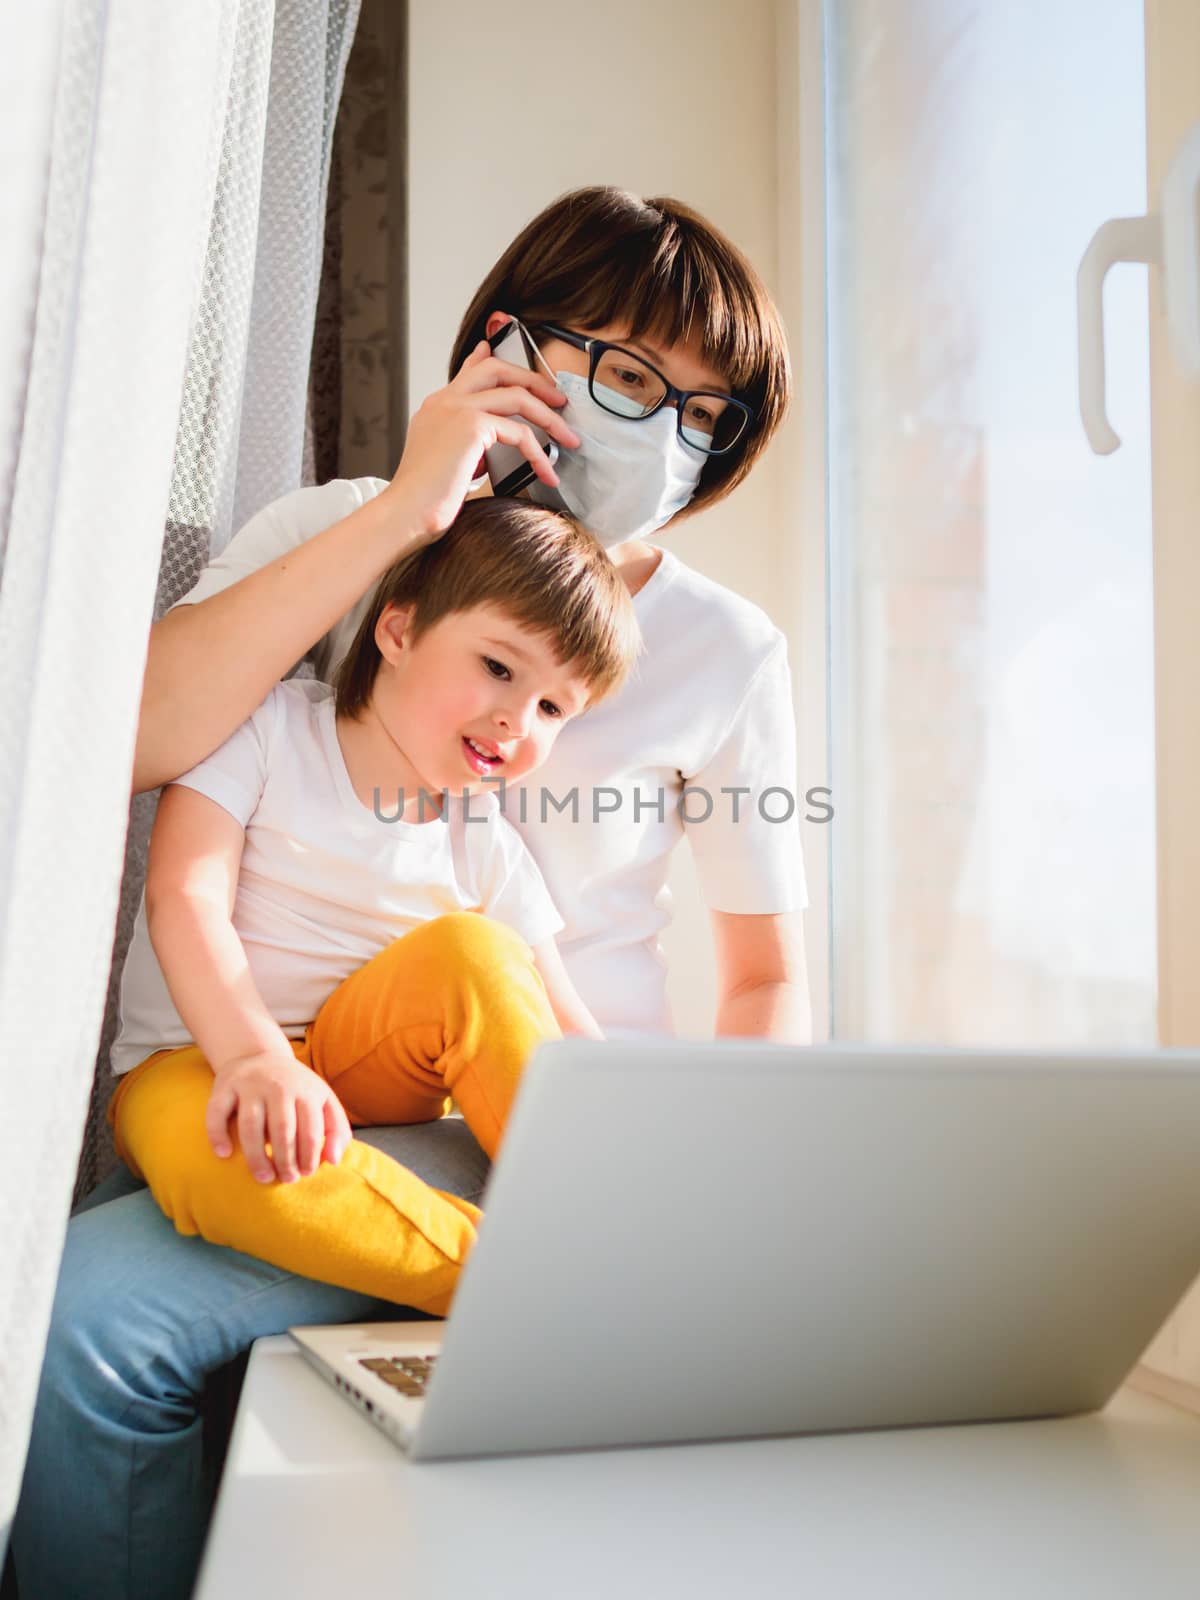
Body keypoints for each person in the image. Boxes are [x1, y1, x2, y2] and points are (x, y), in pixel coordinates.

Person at [12, 186, 812, 1600]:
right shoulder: (349, 535)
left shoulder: (728, 653)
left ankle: (619, 1272)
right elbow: (120, 750)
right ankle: (592, 1294)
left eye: (708, 414)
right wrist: (406, 508)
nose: (668, 431)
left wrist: (713, 1189)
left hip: (544, 1123)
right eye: (633, 377)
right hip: (302, 1073)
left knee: (481, 990)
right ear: (514, 344)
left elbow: (761, 981)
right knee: (82, 1330)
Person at [107, 496, 638, 1311]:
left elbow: (560, 1023)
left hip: (370, 1067)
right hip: (198, 1059)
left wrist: (650, 1136)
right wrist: (255, 1059)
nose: (515, 719)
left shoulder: (482, 834)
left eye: (552, 709)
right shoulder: (268, 728)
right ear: (397, 632)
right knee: (223, 1168)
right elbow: (185, 894)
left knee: (480, 952)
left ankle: (617, 1215)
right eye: (499, 668)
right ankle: (529, 1287)